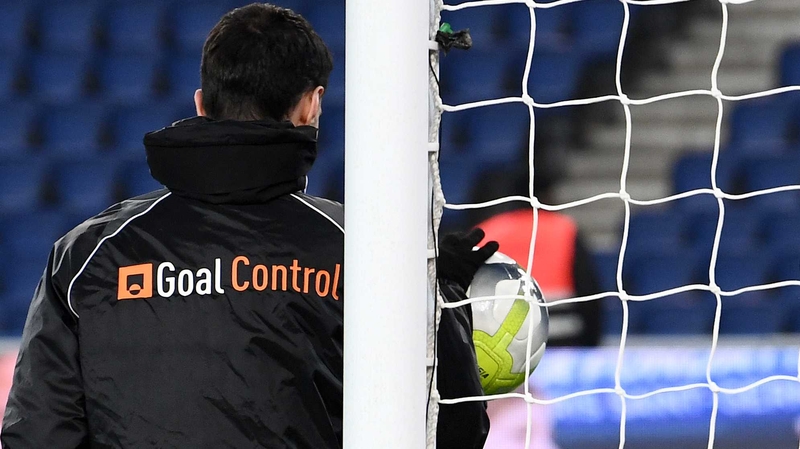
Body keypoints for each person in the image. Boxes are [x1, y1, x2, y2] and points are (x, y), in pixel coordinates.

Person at [1, 4, 491, 448]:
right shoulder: (364, 250)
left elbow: (38, 436)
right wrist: (439, 293)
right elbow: (450, 434)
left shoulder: (90, 253)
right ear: (310, 105)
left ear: (201, 104)